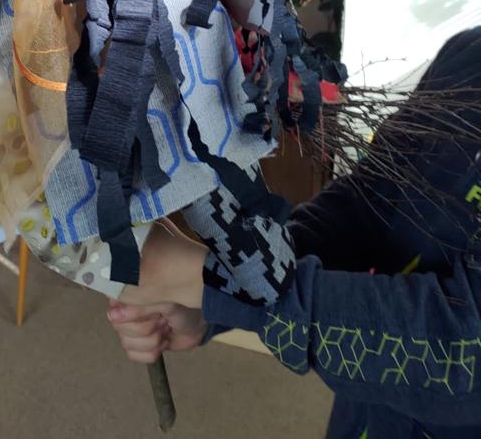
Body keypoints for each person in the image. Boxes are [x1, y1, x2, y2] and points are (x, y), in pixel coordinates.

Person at [108, 28, 481, 439]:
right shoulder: (468, 58)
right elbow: (367, 203)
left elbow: (462, 349)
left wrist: (212, 283)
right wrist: (224, 290)